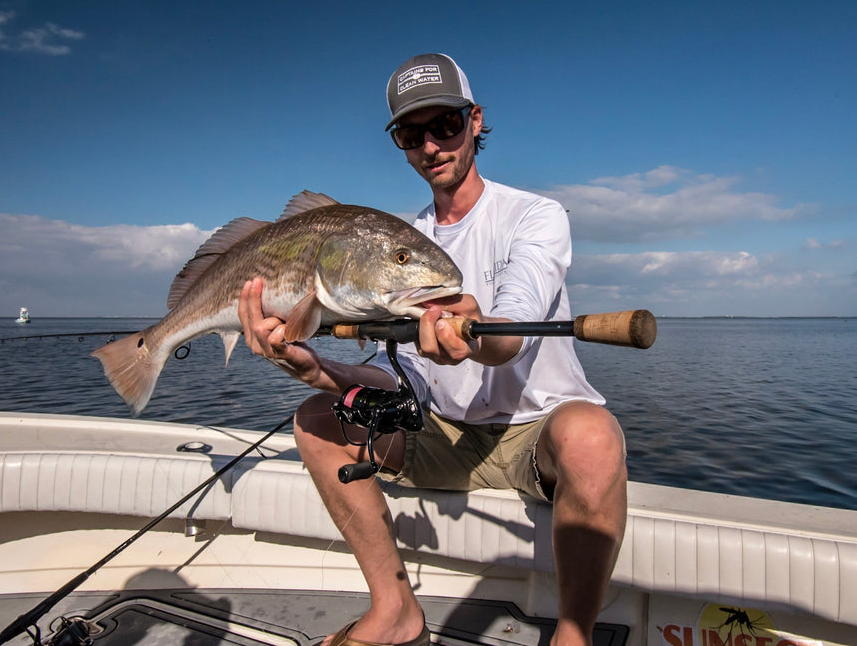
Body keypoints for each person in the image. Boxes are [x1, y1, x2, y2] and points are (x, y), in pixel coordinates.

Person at [239, 53, 628, 646]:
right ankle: (395, 610)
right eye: (410, 134)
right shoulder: (395, 244)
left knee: (593, 435)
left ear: (475, 121)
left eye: (444, 124)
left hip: (535, 431)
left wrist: (475, 336)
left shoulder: (534, 215)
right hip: (441, 431)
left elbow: (512, 334)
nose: (430, 146)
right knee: (318, 418)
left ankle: (573, 635)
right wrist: (314, 368)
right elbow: (409, 383)